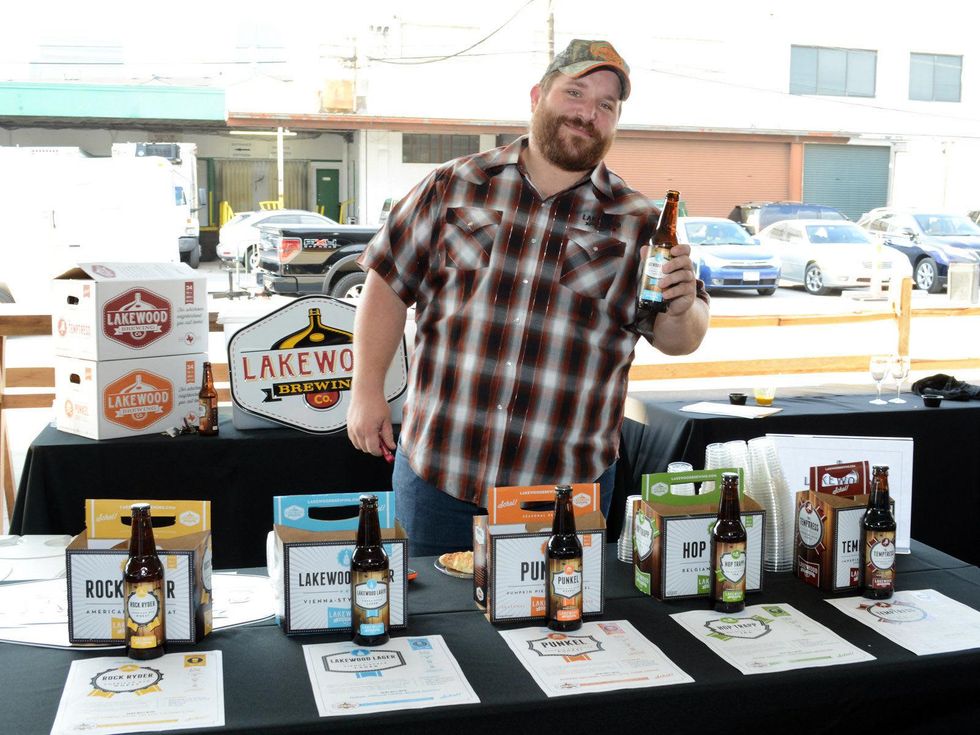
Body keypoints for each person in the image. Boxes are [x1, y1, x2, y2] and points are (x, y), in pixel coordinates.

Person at [348, 39, 710, 557]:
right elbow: (385, 284)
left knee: (558, 631)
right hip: (438, 478)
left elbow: (682, 338)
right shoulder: (453, 185)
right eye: (575, 93)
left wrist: (681, 307)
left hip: (564, 494)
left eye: (606, 105)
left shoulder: (638, 221)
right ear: (538, 95)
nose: (588, 113)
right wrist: (366, 390)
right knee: (434, 630)